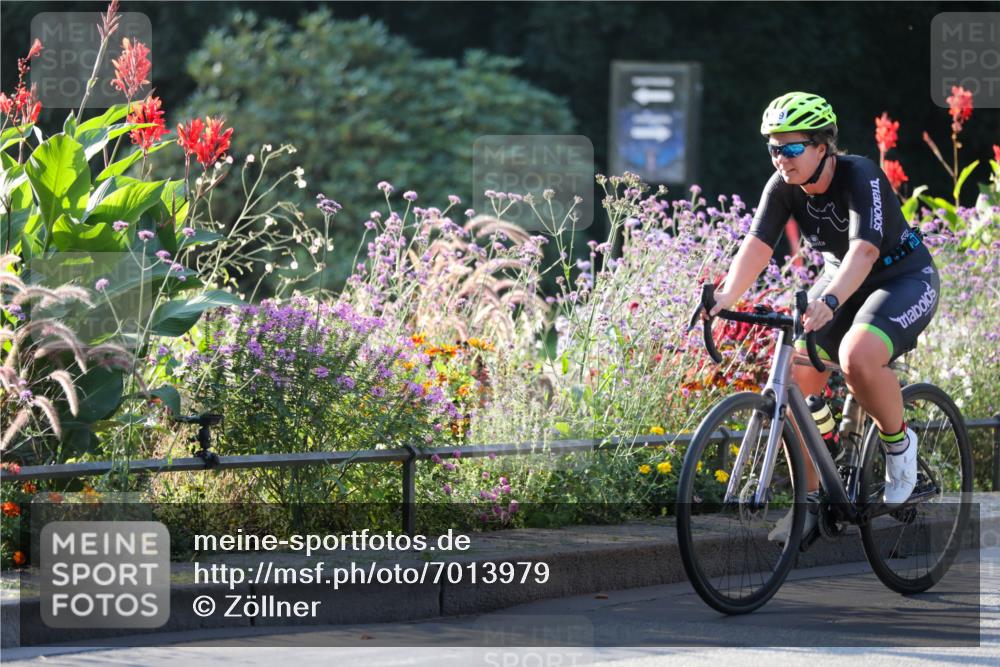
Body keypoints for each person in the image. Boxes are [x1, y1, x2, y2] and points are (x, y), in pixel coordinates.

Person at [705, 92, 940, 543]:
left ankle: (899, 445)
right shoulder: (782, 186)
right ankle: (810, 502)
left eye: (791, 148)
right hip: (842, 283)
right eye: (773, 148)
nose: (781, 159)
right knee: (792, 371)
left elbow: (865, 250)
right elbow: (757, 246)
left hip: (902, 279)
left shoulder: (860, 175)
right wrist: (724, 296)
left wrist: (829, 302)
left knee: (856, 356)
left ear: (821, 146)